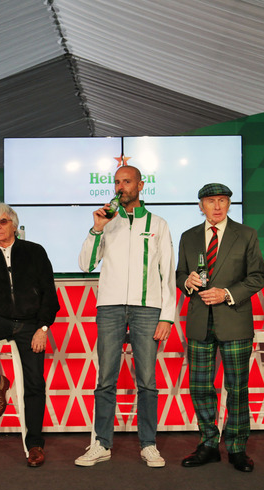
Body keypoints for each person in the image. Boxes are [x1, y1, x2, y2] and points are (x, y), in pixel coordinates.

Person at [75, 165, 176, 468]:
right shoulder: (108, 222)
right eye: (117, 182)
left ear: (140, 186)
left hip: (148, 309)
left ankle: (149, 444)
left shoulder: (158, 223)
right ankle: (101, 443)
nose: (121, 186)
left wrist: (167, 317)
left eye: (127, 181)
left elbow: (167, 273)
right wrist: (96, 228)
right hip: (110, 307)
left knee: (147, 380)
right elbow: (86, 264)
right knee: (106, 379)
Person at [177, 183, 264, 472]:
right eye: (210, 201)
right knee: (200, 387)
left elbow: (257, 277)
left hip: (235, 319)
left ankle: (238, 448)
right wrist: (186, 282)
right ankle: (208, 444)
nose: (217, 206)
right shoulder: (188, 237)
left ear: (229, 204)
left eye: (223, 200)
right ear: (200, 206)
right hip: (200, 321)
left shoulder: (247, 234)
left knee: (237, 388)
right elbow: (180, 273)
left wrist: (226, 294)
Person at [0, 203, 59, 467]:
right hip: (2, 320)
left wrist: (42, 328)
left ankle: (35, 445)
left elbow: (49, 295)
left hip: (31, 324)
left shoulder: (35, 252)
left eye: (2, 222)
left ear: (14, 225)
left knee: (34, 383)